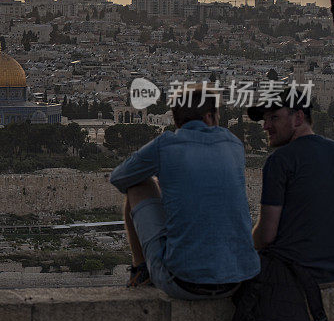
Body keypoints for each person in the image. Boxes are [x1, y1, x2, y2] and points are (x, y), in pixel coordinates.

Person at [109, 84, 260, 299]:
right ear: (209, 116)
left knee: (138, 185)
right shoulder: (233, 144)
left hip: (185, 282)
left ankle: (140, 270)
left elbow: (119, 178)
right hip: (238, 279)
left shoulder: (166, 144)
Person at [248, 88, 334, 286]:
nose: (266, 126)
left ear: (298, 117)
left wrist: (247, 245)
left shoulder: (280, 160)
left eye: (274, 118)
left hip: (291, 276)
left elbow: (267, 234)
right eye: (264, 119)